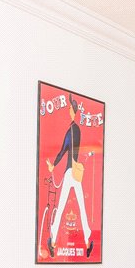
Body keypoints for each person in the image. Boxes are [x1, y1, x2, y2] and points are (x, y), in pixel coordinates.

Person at [46, 100, 94, 258]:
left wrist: (53, 165)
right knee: (82, 207)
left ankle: (53, 241)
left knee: (60, 207)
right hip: (77, 174)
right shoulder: (78, 130)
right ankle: (87, 241)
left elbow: (62, 151)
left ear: (72, 110)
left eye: (69, 108)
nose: (68, 110)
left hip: (69, 172)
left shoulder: (71, 130)